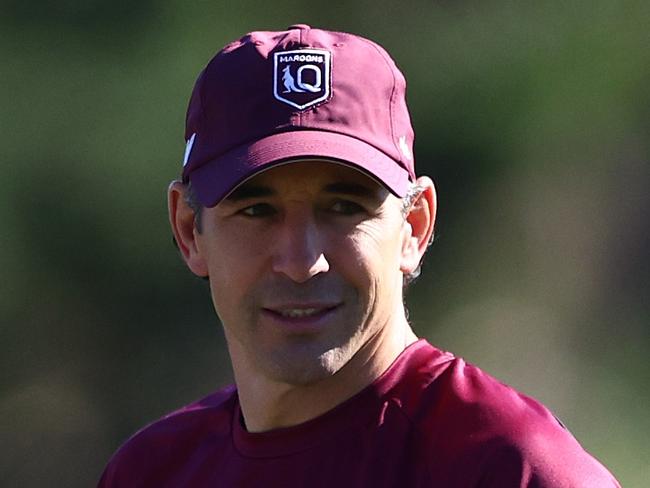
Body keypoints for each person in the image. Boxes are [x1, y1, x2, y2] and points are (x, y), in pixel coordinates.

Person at [99, 25, 621, 487]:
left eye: (344, 208)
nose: (302, 261)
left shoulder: (515, 471)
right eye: (257, 210)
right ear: (190, 231)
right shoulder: (151, 471)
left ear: (415, 225)